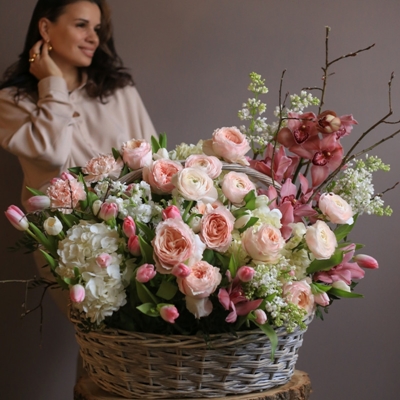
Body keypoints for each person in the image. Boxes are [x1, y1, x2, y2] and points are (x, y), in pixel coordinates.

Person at [0, 0, 157, 211]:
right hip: (61, 238)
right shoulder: (12, 101)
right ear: (46, 28)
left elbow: (156, 164)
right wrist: (53, 84)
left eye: (97, 29)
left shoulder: (120, 90)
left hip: (132, 233)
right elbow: (51, 155)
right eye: (81, 25)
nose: (93, 38)